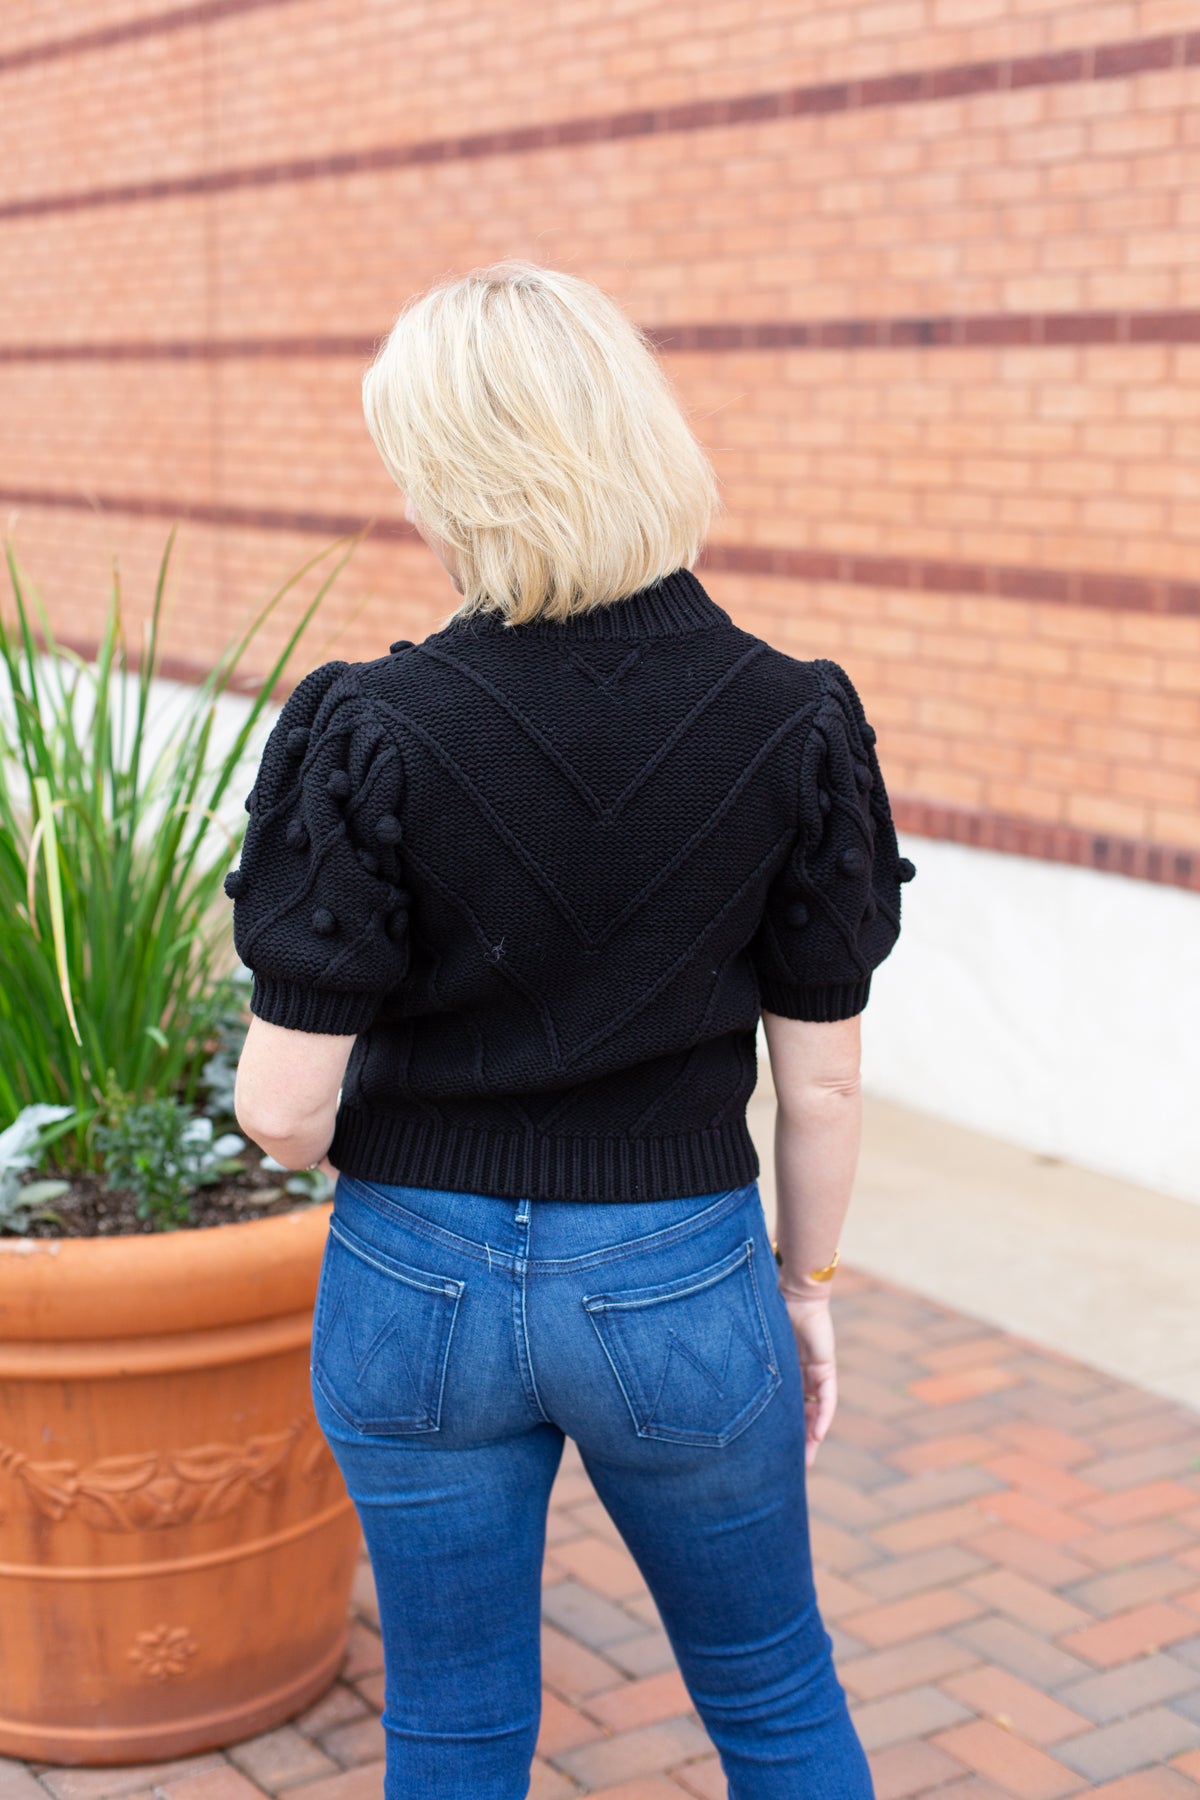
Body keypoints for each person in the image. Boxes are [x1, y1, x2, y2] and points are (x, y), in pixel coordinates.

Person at [228, 261, 913, 1800]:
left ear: (457, 477)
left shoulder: (374, 728)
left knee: (456, 1727)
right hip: (676, 1279)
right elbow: (827, 1077)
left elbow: (280, 1108)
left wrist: (430, 1163)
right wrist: (805, 1288)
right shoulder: (792, 718)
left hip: (413, 1288)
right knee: (777, 1695)